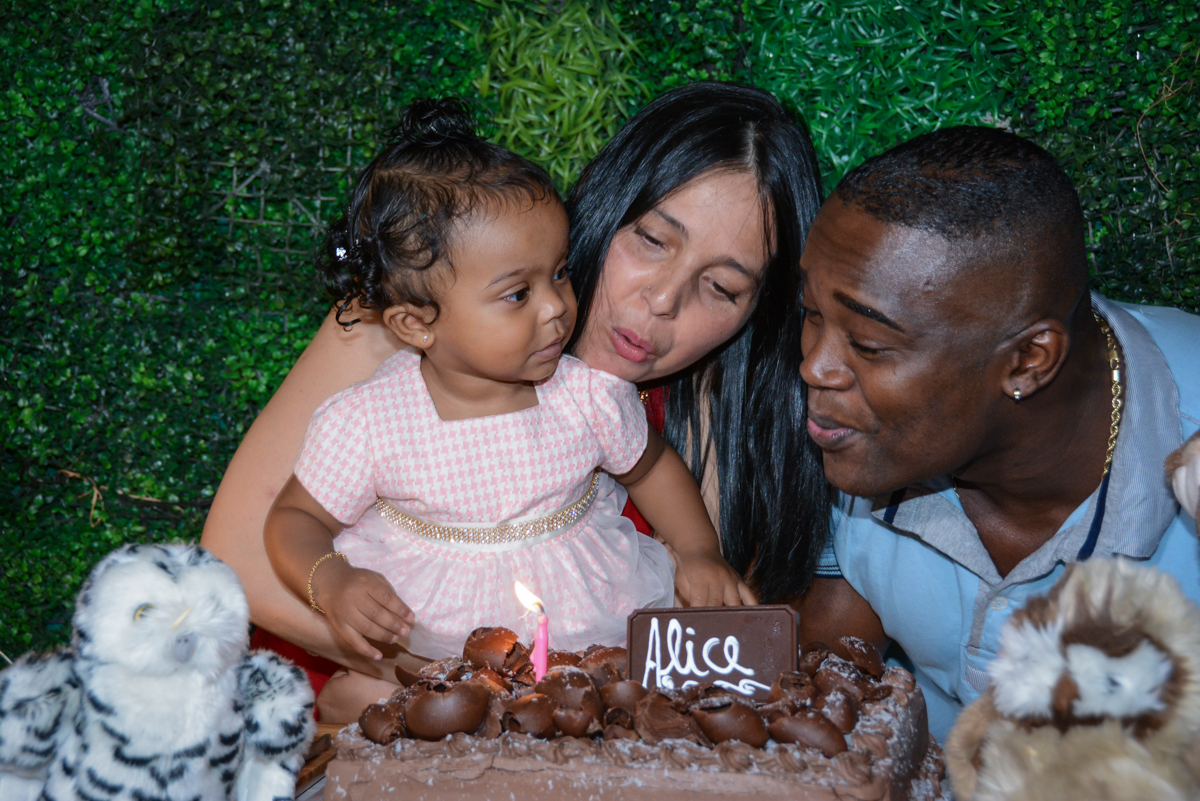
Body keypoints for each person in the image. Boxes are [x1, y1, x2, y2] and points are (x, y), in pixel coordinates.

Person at [200, 82, 831, 721]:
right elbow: (240, 552)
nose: (663, 299)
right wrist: (453, 682)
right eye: (652, 240)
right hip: (373, 691)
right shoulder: (411, 324)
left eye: (721, 287)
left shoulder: (701, 415)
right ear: (608, 203)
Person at [796, 125, 1200, 743]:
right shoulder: (855, 438)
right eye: (810, 314)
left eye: (869, 344)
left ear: (1028, 361)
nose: (814, 368)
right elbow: (827, 672)